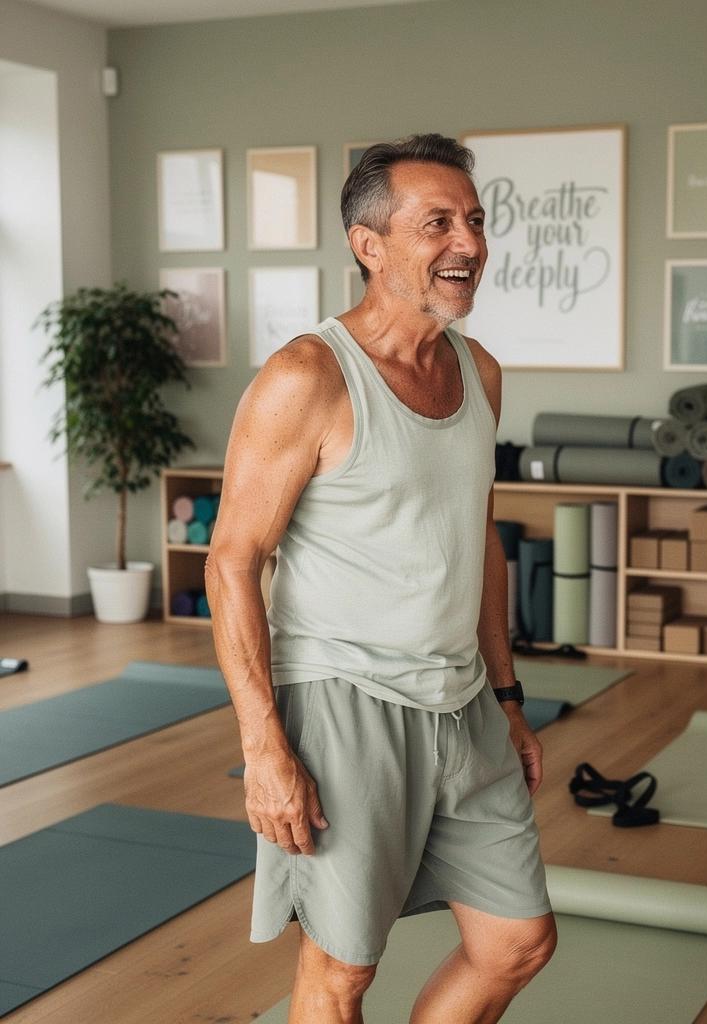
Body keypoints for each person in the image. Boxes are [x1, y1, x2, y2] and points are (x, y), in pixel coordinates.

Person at [205, 134, 556, 1024]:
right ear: (370, 245)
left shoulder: (479, 373)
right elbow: (232, 561)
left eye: (475, 220)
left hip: (464, 701)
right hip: (342, 702)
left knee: (516, 942)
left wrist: (508, 697)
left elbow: (475, 540)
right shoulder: (307, 376)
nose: (469, 243)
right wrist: (264, 751)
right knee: (342, 969)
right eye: (437, 222)